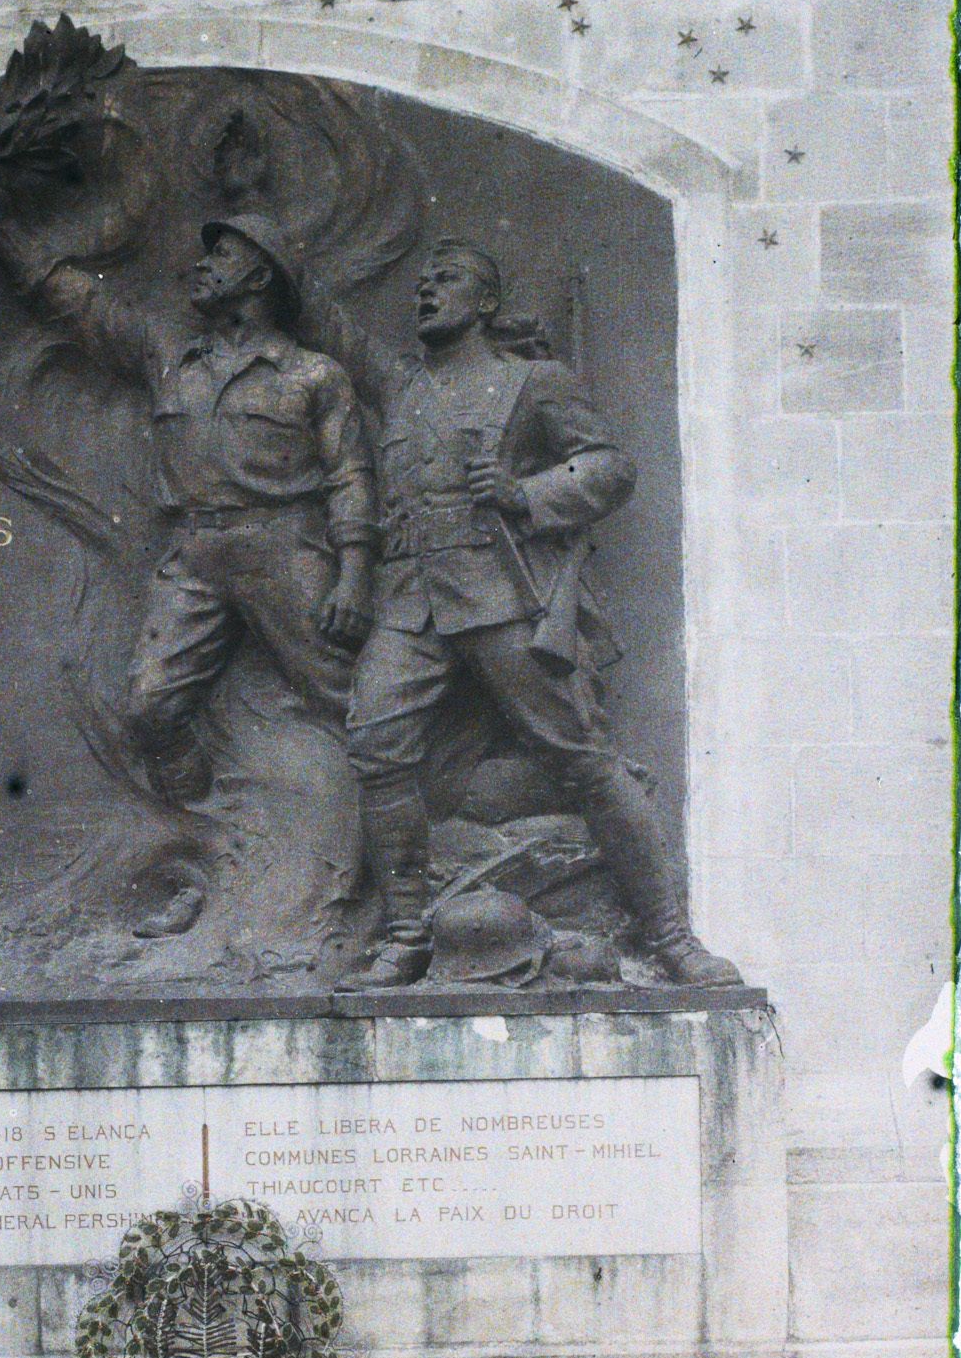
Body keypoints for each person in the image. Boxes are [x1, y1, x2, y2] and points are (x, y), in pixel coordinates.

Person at [307, 238, 742, 990]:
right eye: (421, 281)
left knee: (580, 758)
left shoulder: (532, 381)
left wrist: (524, 493)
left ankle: (671, 937)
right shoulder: (401, 384)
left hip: (499, 593)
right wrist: (257, 218)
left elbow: (608, 465)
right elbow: (330, 323)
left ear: (483, 304)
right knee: (376, 745)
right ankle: (407, 934)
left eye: (446, 280)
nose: (426, 291)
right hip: (410, 599)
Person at [0, 173, 379, 832]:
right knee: (149, 708)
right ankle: (217, 844)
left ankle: (416, 847)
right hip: (193, 556)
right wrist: (2, 228)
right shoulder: (169, 356)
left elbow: (350, 475)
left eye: (222, 256)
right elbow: (81, 308)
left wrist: (352, 574)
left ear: (261, 277)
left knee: (353, 700)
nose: (200, 266)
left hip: (284, 546)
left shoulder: (313, 376)